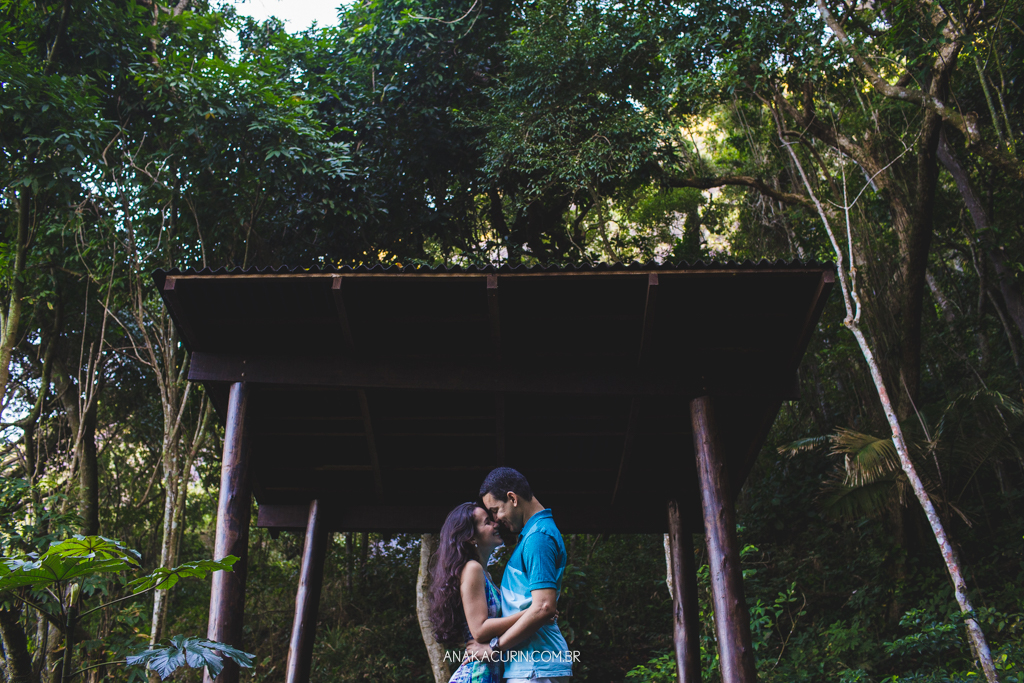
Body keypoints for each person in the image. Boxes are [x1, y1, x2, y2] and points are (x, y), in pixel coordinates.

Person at [468, 467, 573, 683]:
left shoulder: (538, 538)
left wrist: (495, 647)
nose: (496, 520)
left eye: (496, 510)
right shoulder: (534, 535)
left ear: (512, 498)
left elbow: (544, 607)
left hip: (535, 665)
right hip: (533, 665)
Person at [429, 502, 541, 683]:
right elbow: (479, 630)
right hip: (475, 676)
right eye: (487, 522)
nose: (496, 523)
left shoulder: (484, 574)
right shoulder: (472, 569)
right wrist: (533, 612)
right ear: (471, 538)